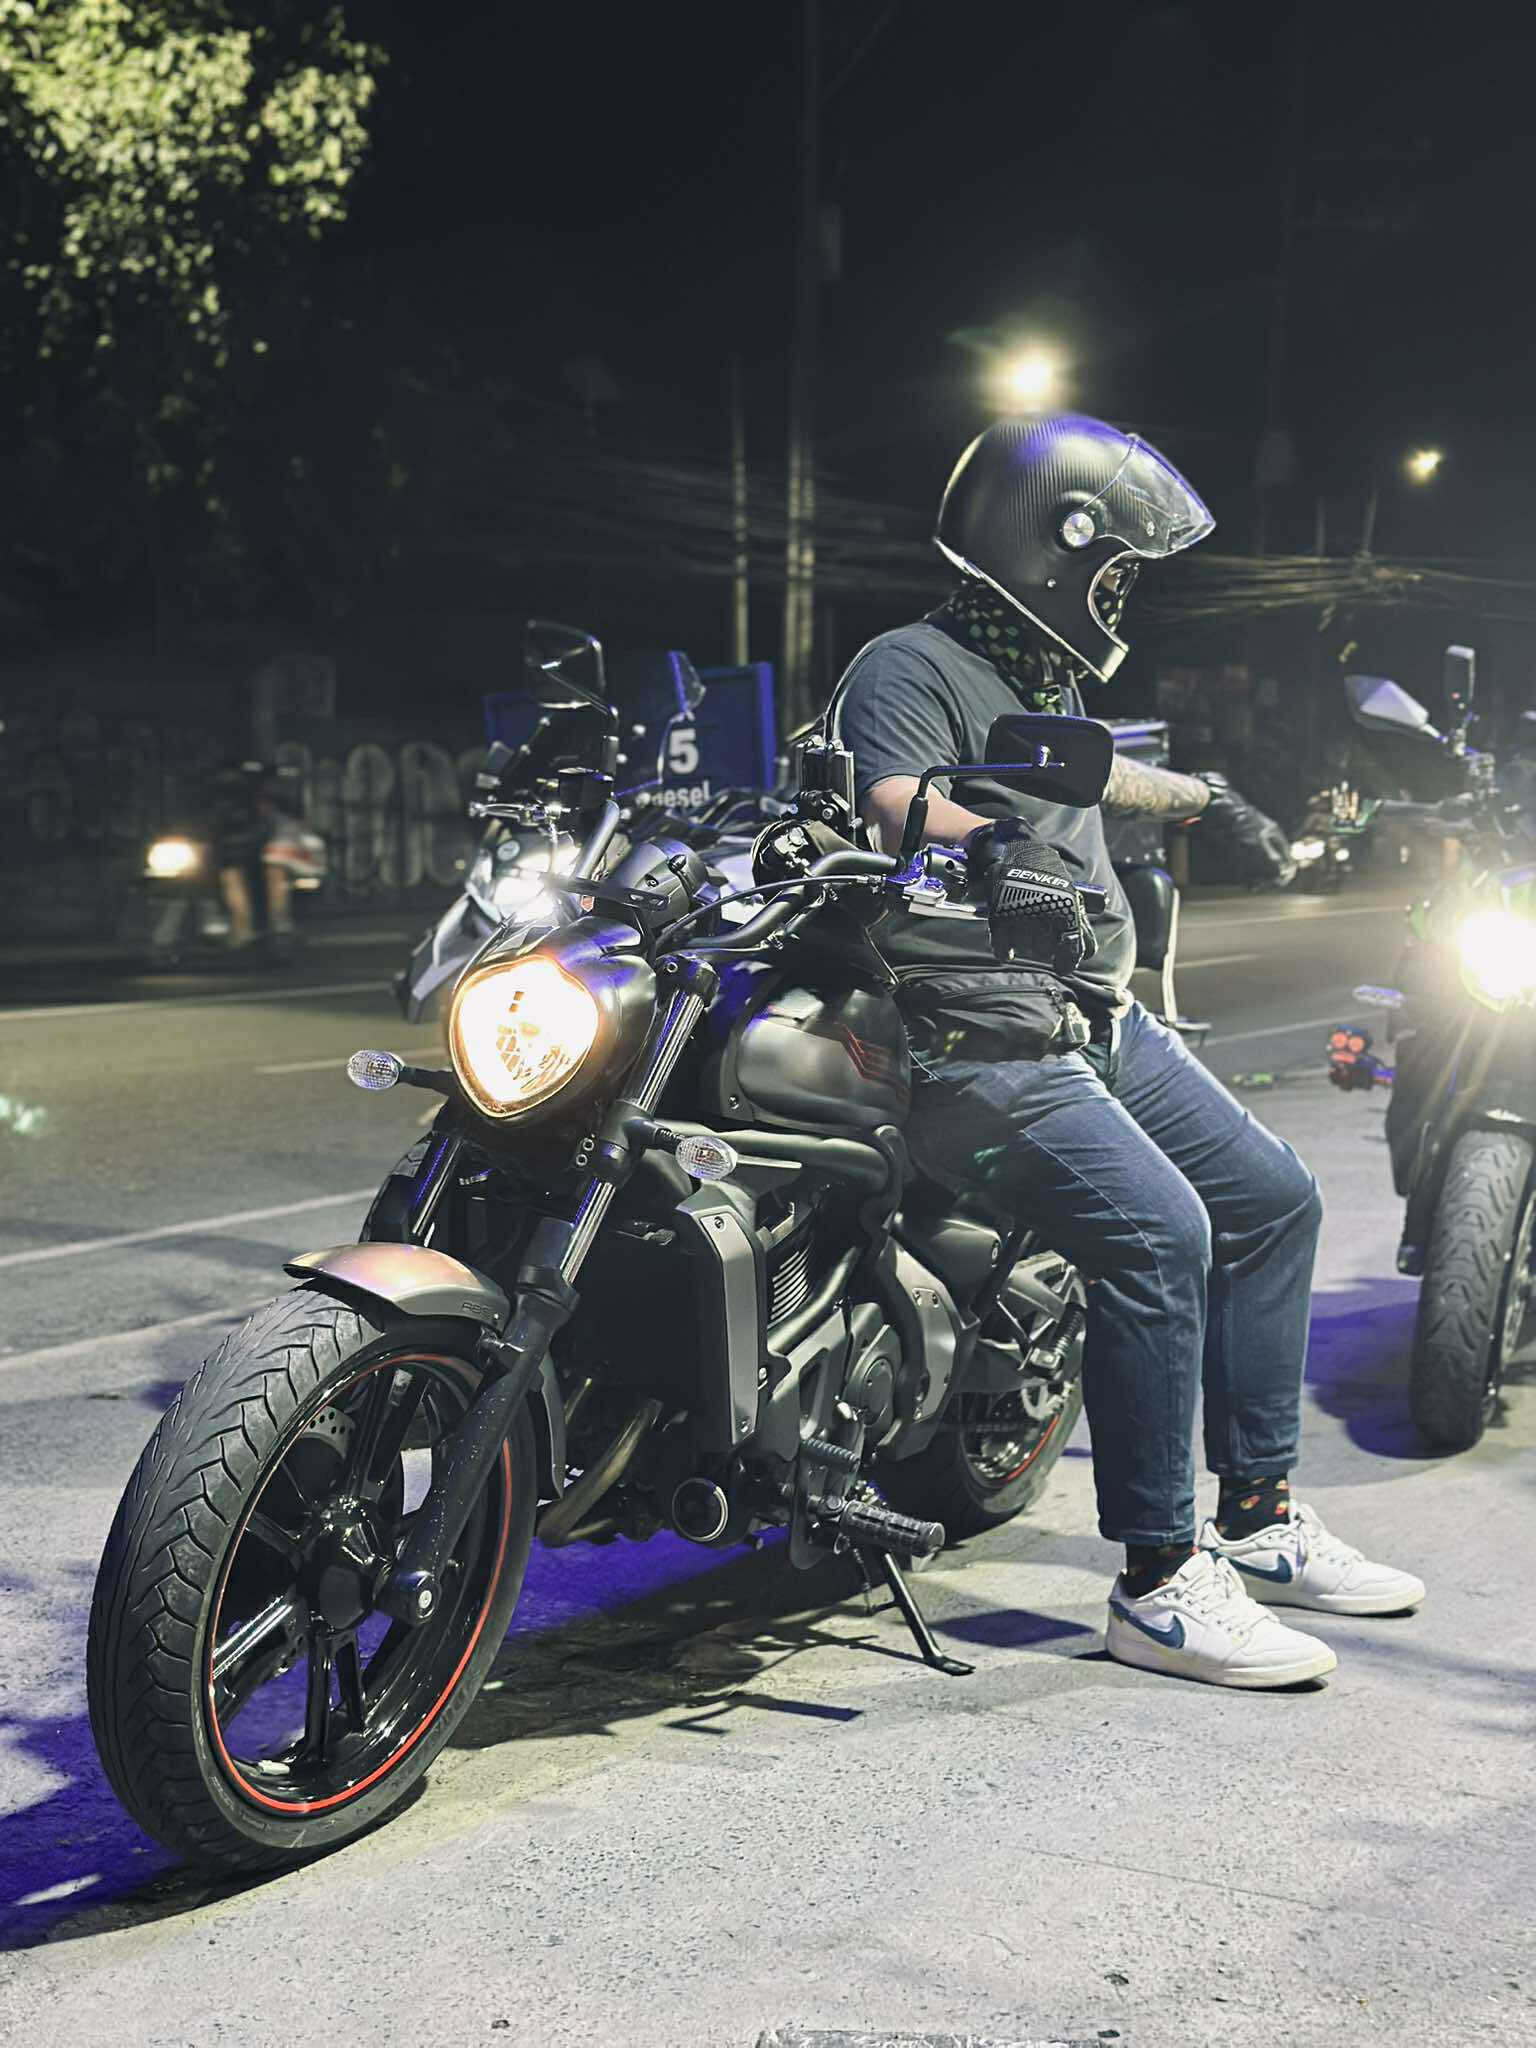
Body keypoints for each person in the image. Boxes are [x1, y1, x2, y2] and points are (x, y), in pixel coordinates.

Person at [831, 414, 1424, 1689]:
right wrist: (981, 842)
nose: (1120, 597)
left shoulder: (1045, 686)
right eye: (1113, 571)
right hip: (972, 1035)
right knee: (1161, 1233)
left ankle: (1256, 1518)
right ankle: (1159, 1581)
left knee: (1274, 1200)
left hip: (1095, 1017)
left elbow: (1095, 776)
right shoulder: (908, 665)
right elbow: (893, 796)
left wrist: (1210, 799)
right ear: (1051, 549)